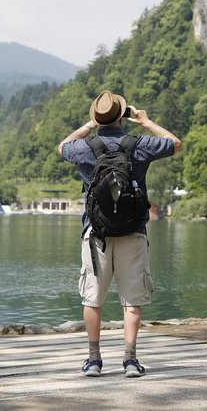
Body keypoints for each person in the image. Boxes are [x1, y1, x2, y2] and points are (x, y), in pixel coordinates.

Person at [58, 89, 181, 378]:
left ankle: (93, 360)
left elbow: (62, 147)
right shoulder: (138, 144)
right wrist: (146, 122)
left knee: (93, 299)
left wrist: (89, 125)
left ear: (97, 118)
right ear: (122, 117)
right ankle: (130, 360)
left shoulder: (86, 147)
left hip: (95, 232)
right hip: (133, 232)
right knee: (132, 301)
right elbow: (175, 144)